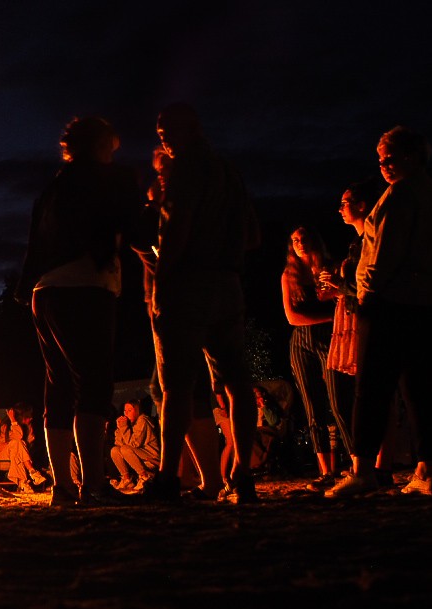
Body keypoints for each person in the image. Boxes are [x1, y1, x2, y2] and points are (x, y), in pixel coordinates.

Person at [14, 115, 147, 507]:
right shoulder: (112, 179)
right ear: (101, 145)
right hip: (86, 286)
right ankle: (94, 485)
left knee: (58, 387)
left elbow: (33, 244)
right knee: (94, 382)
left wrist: (25, 289)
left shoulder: (52, 188)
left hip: (45, 292)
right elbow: (136, 230)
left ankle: (62, 488)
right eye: (110, 145)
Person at [327, 126, 432, 498]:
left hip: (395, 301)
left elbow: (381, 255)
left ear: (413, 156)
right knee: (421, 386)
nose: (385, 166)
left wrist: (368, 295)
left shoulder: (399, 196)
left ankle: (362, 469)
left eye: (391, 158)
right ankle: (427, 468)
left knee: (372, 387)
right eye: (381, 160)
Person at [141, 101, 261, 504]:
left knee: (176, 384)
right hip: (228, 283)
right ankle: (243, 475)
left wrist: (162, 269)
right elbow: (253, 235)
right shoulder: (230, 172)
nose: (162, 138)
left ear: (189, 128)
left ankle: (167, 478)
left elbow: (176, 231)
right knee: (236, 380)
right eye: (160, 132)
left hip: (188, 284)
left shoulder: (187, 171)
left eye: (166, 130)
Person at [318, 179, 402, 488]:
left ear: (362, 205)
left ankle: (381, 464)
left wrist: (341, 286)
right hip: (354, 316)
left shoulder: (373, 238)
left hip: (370, 314)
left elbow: (373, 283)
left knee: (379, 388)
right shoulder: (356, 244)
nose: (340, 208)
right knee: (363, 390)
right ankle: (369, 462)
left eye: (345, 202)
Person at [281, 225, 351, 490]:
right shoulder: (289, 275)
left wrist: (334, 294)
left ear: (314, 240)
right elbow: (292, 317)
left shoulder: (331, 268)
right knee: (313, 407)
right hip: (302, 342)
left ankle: (354, 463)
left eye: (303, 238)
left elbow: (343, 298)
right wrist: (330, 316)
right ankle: (325, 472)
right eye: (294, 240)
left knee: (339, 402)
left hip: (331, 339)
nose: (299, 243)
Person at [109, 399, 160, 491]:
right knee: (114, 450)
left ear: (137, 411)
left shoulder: (142, 420)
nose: (126, 413)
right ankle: (127, 479)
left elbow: (134, 444)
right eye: (125, 410)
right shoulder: (129, 423)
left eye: (130, 410)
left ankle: (145, 476)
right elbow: (118, 444)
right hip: (137, 454)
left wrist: (124, 428)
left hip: (150, 455)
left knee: (125, 449)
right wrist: (120, 428)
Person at [4, 403, 47, 492]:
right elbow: (17, 437)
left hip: (19, 456)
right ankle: (33, 472)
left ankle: (23, 483)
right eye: (27, 416)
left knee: (17, 450)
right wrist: (13, 420)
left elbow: (31, 442)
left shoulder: (28, 427)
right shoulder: (6, 426)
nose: (31, 418)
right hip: (4, 454)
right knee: (17, 443)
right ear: (20, 417)